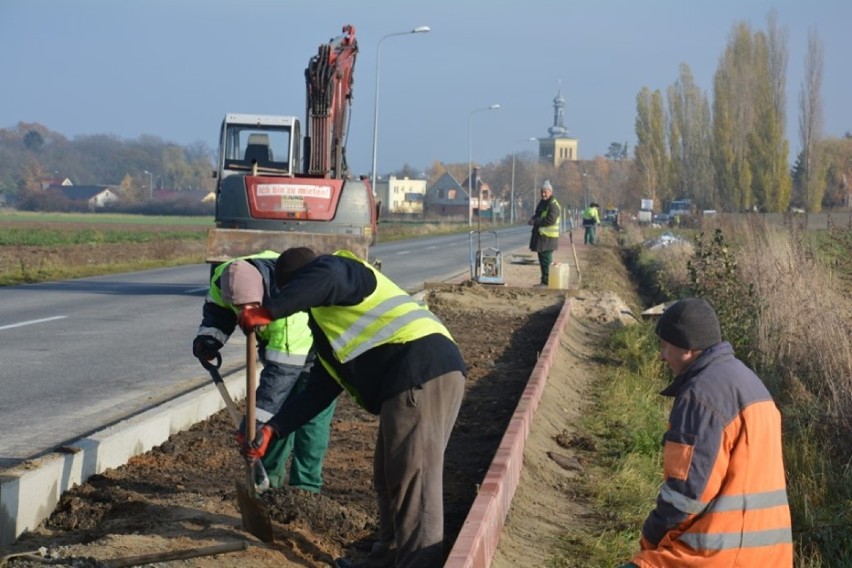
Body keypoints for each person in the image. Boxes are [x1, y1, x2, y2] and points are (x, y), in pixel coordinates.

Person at [237, 247, 467, 568]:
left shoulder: (341, 269)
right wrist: (273, 429)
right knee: (388, 477)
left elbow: (326, 276)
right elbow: (322, 386)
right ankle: (385, 560)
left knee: (415, 481)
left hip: (420, 373)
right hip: (409, 380)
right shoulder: (328, 316)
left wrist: (269, 311)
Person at [619, 297, 793, 568]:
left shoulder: (699, 397)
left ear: (687, 348)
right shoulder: (749, 382)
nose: (662, 355)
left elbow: (685, 496)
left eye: (665, 346)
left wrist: (650, 540)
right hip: (771, 555)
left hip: (719, 554)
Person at [192, 251, 336, 492]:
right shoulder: (226, 277)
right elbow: (218, 311)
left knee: (309, 419)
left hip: (319, 355)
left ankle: (306, 488)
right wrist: (209, 339)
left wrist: (254, 421)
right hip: (283, 353)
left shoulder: (286, 311)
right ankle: (267, 482)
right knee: (276, 418)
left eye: (251, 308)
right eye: (239, 308)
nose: (243, 313)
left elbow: (280, 376)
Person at [528, 179, 561, 287]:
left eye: (545, 192)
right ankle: (544, 281)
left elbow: (550, 220)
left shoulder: (553, 205)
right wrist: (533, 219)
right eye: (542, 192)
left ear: (551, 192)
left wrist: (535, 221)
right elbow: (538, 215)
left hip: (548, 238)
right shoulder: (543, 203)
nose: (543, 194)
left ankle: (547, 282)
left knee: (546, 261)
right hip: (542, 237)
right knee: (543, 261)